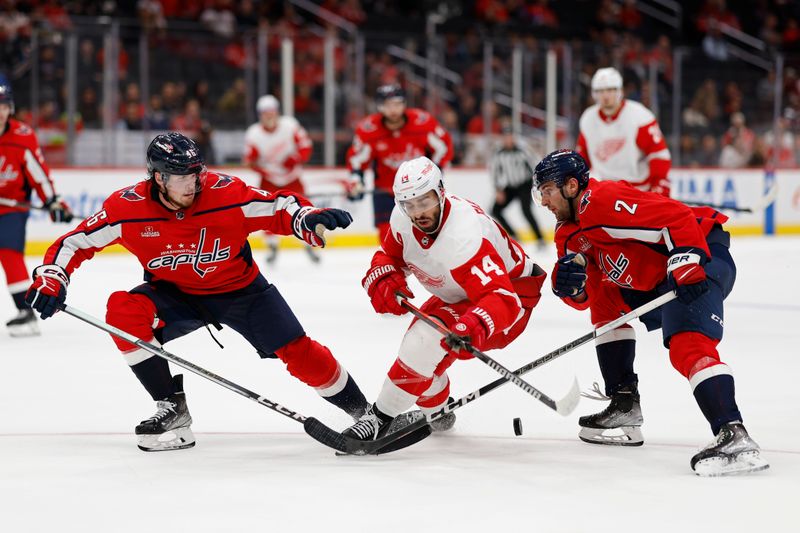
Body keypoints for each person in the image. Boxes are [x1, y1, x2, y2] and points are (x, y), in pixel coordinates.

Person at [25, 132, 369, 452]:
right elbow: (75, 242)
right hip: (177, 294)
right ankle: (171, 408)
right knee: (123, 310)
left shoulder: (225, 193)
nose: (193, 182)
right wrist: (53, 277)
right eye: (181, 176)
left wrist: (306, 218)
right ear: (158, 177)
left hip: (241, 290)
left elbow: (279, 207)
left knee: (298, 352)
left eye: (195, 173)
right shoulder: (126, 208)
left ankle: (364, 413)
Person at [533, 149, 768, 476]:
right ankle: (625, 403)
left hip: (701, 252)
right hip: (654, 279)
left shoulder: (601, 200)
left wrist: (686, 259)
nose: (543, 201)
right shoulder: (567, 233)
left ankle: (734, 434)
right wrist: (572, 288)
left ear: (571, 186)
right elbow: (588, 299)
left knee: (687, 345)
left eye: (546, 190)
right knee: (605, 301)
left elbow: (675, 216)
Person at [342, 156, 546, 441]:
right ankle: (438, 413)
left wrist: (473, 324)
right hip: (459, 292)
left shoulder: (465, 235)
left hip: (510, 296)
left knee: (422, 344)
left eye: (424, 201)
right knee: (421, 359)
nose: (418, 212)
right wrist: (385, 275)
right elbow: (389, 255)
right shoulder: (403, 218)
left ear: (440, 191)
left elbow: (503, 299)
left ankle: (380, 419)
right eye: (409, 204)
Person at [569, 66, 672, 443]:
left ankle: (669, 320)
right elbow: (580, 161)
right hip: (601, 202)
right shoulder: (587, 119)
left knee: (649, 278)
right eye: (601, 92)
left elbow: (660, 157)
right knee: (605, 281)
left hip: (634, 202)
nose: (607, 97)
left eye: (612, 90)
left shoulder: (640, 117)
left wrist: (657, 198)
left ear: (621, 91)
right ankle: (624, 395)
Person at [0, 75, 73, 337]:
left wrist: (52, 201)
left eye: (4, 105)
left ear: (11, 108)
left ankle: (26, 312)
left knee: (8, 251)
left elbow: (38, 174)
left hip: (11, 207)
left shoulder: (22, 136)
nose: (0, 111)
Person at [346, 84, 454, 240]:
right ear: (379, 106)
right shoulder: (368, 130)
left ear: (404, 103)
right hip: (385, 191)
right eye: (388, 105)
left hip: (420, 190)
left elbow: (443, 147)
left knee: (427, 233)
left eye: (397, 104)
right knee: (387, 236)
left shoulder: (422, 123)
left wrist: (434, 174)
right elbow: (356, 160)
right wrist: (356, 181)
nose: (393, 110)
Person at [243, 94, 318, 263]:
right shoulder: (253, 133)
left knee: (304, 207)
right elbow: (249, 160)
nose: (269, 116)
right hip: (269, 179)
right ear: (260, 114)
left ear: (277, 112)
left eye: (271, 112)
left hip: (292, 177)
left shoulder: (290, 125)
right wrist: (265, 170)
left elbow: (306, 147)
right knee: (267, 212)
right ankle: (272, 245)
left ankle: (310, 241)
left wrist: (296, 159)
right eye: (265, 113)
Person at [489, 126, 545, 250]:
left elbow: (535, 165)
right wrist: (498, 190)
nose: (508, 139)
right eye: (506, 137)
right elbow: (495, 172)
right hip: (509, 187)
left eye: (510, 137)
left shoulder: (523, 151)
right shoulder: (499, 154)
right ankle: (514, 235)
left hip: (524, 185)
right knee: (495, 210)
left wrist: (537, 184)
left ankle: (540, 238)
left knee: (526, 211)